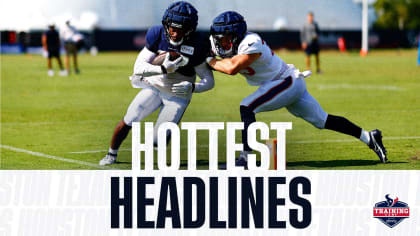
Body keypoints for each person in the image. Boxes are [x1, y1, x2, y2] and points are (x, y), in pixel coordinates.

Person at [206, 11, 387, 168]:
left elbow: (231, 68)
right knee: (321, 120)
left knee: (247, 107)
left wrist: (209, 61)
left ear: (236, 35)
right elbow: (208, 52)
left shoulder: (251, 42)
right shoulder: (221, 43)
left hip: (285, 81)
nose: (221, 43)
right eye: (219, 39)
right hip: (287, 83)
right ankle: (369, 137)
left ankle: (245, 159)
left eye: (225, 38)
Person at [99, 1, 214, 166]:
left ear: (190, 29)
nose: (175, 33)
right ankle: (111, 154)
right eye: (172, 28)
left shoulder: (198, 44)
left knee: (157, 139)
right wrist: (163, 69)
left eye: (180, 29)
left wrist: (193, 87)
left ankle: (161, 159)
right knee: (130, 118)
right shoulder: (157, 34)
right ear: (166, 24)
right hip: (154, 86)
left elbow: (209, 81)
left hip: (178, 94)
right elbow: (138, 69)